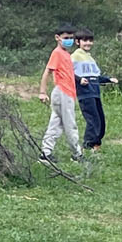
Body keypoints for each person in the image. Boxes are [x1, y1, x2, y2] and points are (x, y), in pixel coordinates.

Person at [38, 28, 83, 163]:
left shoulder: (66, 54)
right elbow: (47, 71)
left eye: (71, 37)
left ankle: (45, 153)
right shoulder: (57, 53)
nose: (69, 40)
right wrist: (42, 91)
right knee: (70, 124)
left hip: (68, 92)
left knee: (56, 124)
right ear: (57, 38)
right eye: (66, 37)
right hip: (63, 92)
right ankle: (77, 154)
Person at [72, 32, 117, 152]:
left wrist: (108, 79)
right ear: (78, 42)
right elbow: (68, 72)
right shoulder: (75, 56)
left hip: (95, 92)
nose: (88, 43)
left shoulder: (90, 58)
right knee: (93, 120)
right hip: (85, 93)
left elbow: (95, 76)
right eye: (85, 40)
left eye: (90, 40)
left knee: (100, 119)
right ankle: (88, 145)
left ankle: (96, 144)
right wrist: (79, 79)